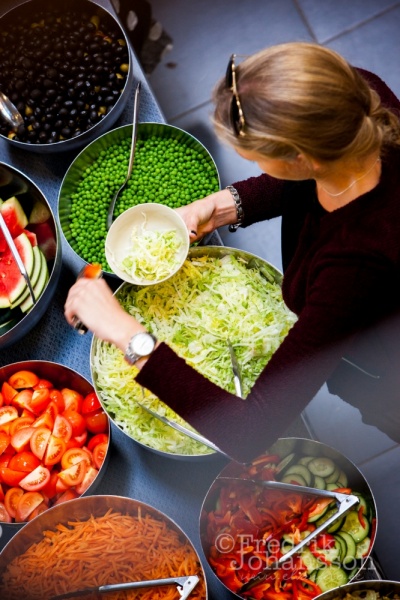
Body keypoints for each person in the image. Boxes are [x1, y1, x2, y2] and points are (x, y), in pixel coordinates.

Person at [65, 42, 400, 463]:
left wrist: (130, 336)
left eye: (255, 159)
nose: (253, 167)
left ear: (300, 157)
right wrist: (225, 206)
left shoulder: (354, 265)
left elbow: (249, 431)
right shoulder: (359, 99)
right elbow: (321, 177)